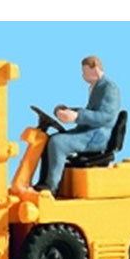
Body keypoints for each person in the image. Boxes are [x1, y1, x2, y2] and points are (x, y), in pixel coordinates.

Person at [34, 56, 121, 194]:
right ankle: (43, 183)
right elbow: (91, 111)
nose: (83, 75)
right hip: (89, 132)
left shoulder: (109, 88)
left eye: (85, 72)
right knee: (49, 139)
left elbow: (106, 116)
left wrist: (77, 116)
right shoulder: (96, 87)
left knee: (58, 143)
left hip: (97, 136)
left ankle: (51, 187)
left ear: (95, 69)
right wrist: (68, 110)